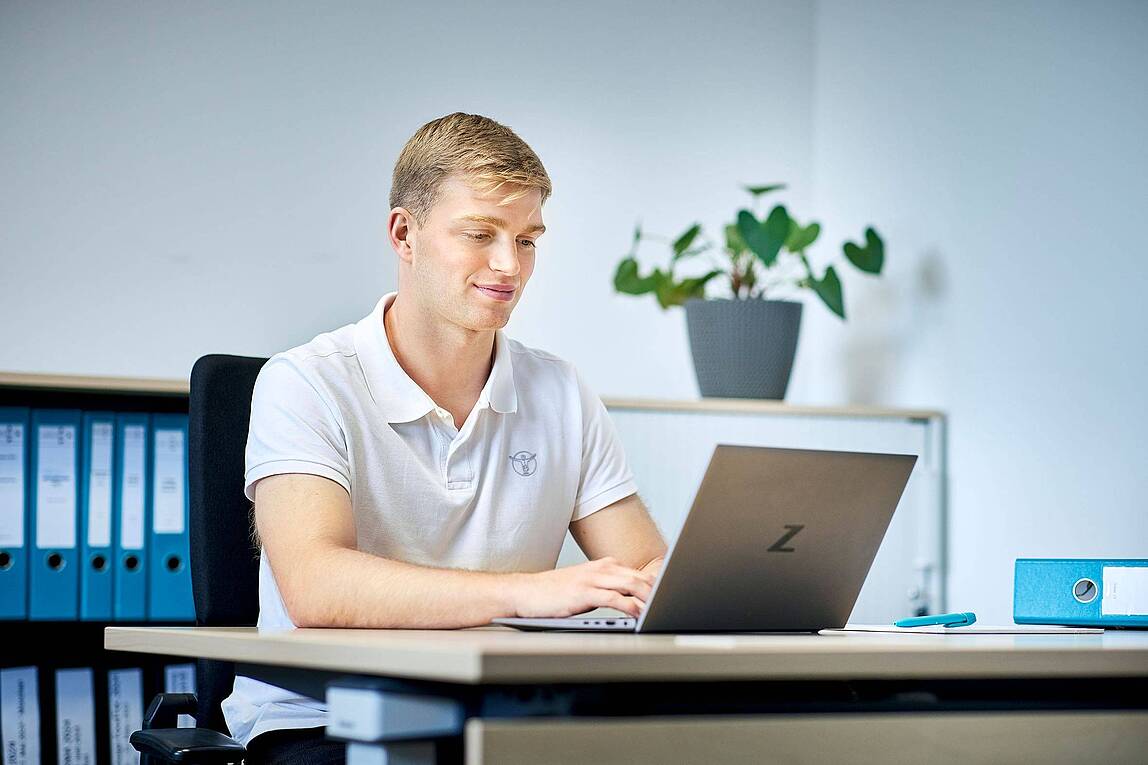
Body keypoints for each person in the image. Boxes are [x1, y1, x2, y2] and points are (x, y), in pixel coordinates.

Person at [222, 112, 667, 763]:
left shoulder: (561, 391)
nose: (509, 264)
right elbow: (316, 586)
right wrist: (527, 594)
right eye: (481, 234)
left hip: (505, 705)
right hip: (324, 716)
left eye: (527, 239)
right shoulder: (306, 382)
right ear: (404, 233)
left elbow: (646, 578)